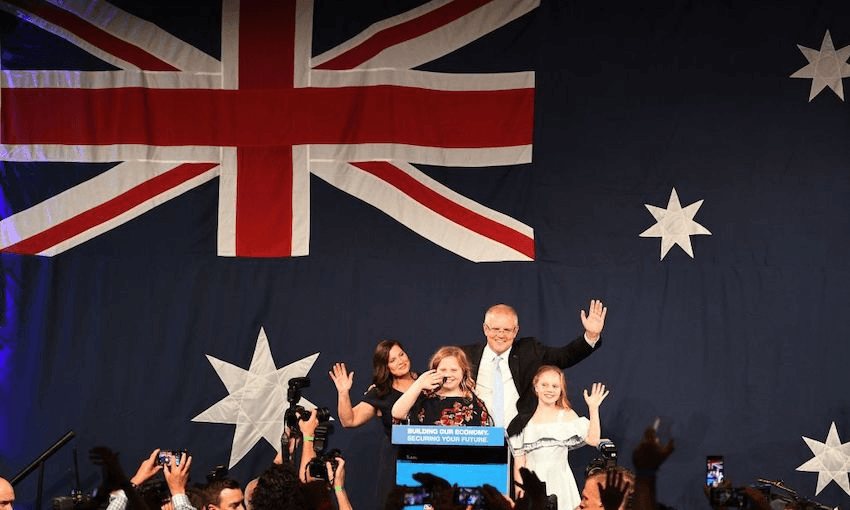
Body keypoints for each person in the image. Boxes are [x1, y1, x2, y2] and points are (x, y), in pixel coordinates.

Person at [462, 299, 606, 428]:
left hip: (518, 439)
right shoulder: (465, 356)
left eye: (507, 330)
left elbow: (564, 356)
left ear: (516, 331)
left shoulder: (529, 351)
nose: (500, 335)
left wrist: (591, 336)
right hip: (478, 438)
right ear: (485, 329)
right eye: (495, 329)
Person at [508, 366, 608, 510]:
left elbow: (593, 439)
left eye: (555, 386)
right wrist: (520, 494)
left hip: (561, 482)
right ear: (535, 387)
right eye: (544, 385)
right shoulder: (524, 421)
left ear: (561, 389)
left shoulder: (566, 415)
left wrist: (593, 408)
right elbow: (519, 461)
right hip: (533, 483)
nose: (550, 390)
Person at [328, 340, 417, 436]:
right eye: (392, 360)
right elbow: (349, 421)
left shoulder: (427, 381)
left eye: (401, 354)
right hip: (399, 450)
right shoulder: (381, 392)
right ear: (386, 367)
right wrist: (343, 392)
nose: (400, 361)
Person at [392, 346, 490, 426]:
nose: (447, 375)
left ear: (463, 372)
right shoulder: (424, 397)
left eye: (454, 370)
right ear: (434, 371)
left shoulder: (475, 401)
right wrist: (419, 383)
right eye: (443, 370)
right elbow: (397, 413)